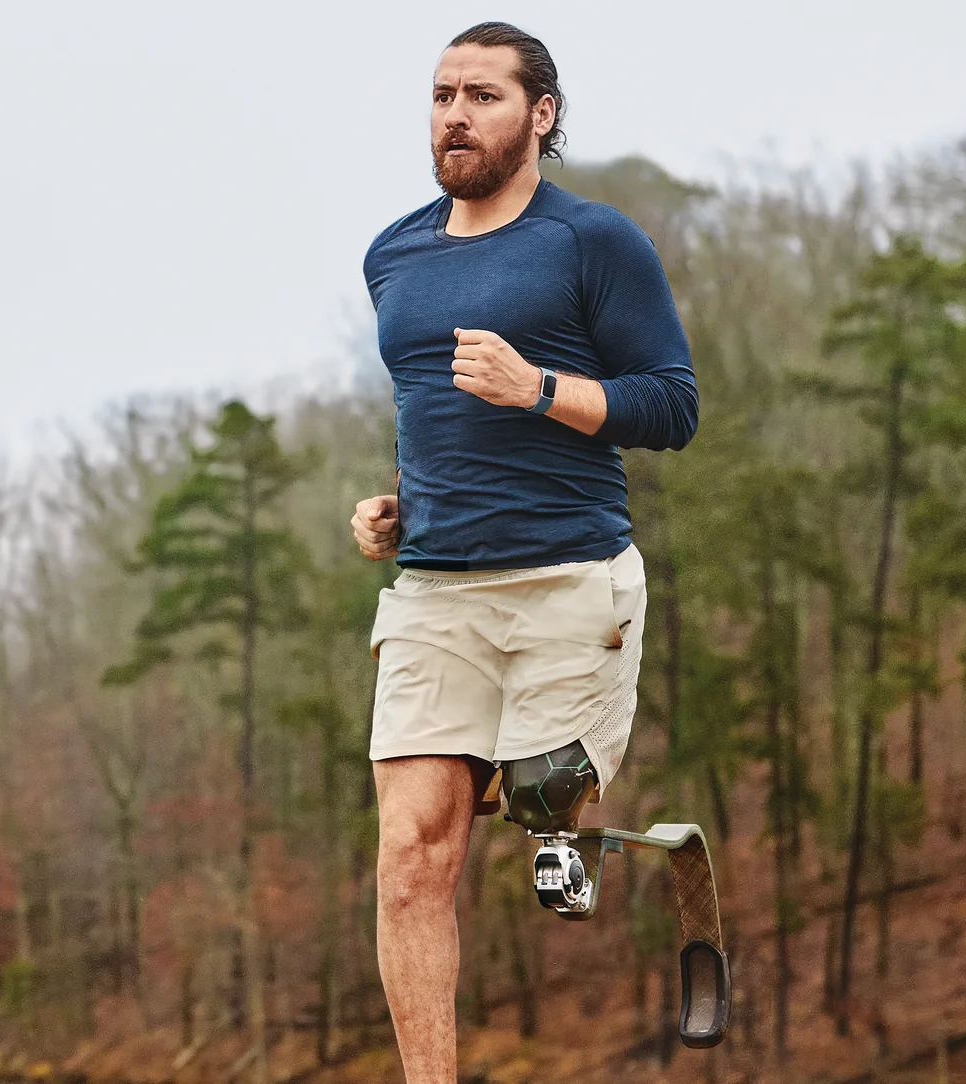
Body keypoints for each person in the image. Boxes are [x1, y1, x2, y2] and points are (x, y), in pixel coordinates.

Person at [347, 20, 697, 1083]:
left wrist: (538, 388)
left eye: (482, 95)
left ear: (538, 115)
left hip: (567, 579)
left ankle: (557, 818)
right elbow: (430, 420)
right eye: (442, 93)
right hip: (434, 592)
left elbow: (670, 406)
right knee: (409, 854)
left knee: (547, 813)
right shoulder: (392, 254)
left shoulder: (592, 243)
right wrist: (396, 507)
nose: (454, 113)